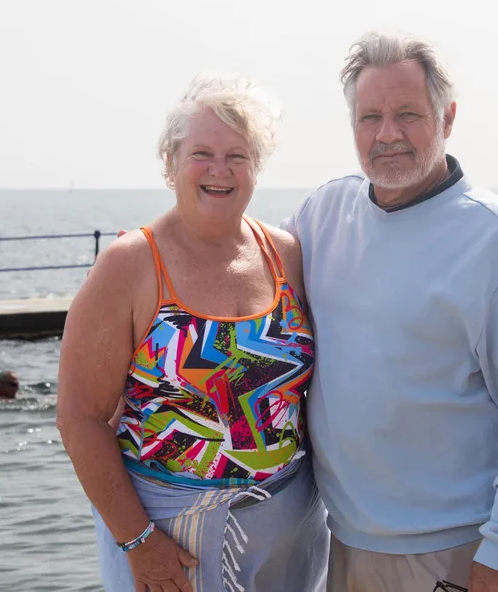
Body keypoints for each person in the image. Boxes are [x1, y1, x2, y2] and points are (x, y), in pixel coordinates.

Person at [281, 32, 498, 591]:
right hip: (339, 540)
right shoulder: (322, 214)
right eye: (370, 118)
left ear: (448, 118)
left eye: (407, 114)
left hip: (453, 551)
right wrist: (157, 255)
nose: (386, 134)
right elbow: (248, 278)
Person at [56, 74, 328, 592]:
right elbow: (79, 418)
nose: (219, 170)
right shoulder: (129, 265)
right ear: (170, 161)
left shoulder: (286, 254)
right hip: (169, 538)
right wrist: (138, 542)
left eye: (238, 156)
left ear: (256, 168)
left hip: (290, 533)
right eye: (202, 152)